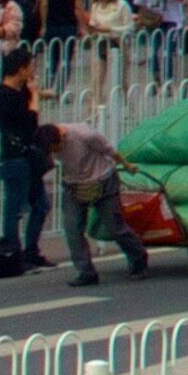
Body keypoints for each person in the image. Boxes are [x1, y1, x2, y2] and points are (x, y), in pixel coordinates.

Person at [50, 113, 145, 285]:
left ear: (62, 138)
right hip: (74, 186)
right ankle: (86, 271)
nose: (55, 153)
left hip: (102, 181)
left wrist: (127, 165)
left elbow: (110, 151)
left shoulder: (84, 134)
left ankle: (138, 256)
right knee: (72, 229)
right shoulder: (47, 142)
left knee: (115, 226)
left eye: (56, 148)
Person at [0, 48, 49, 269]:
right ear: (20, 69)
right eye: (30, 67)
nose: (32, 72)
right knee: (14, 209)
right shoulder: (4, 96)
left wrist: (38, 93)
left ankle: (31, 250)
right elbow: (29, 122)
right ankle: (13, 254)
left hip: (29, 158)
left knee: (41, 205)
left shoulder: (21, 91)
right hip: (14, 158)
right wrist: (35, 96)